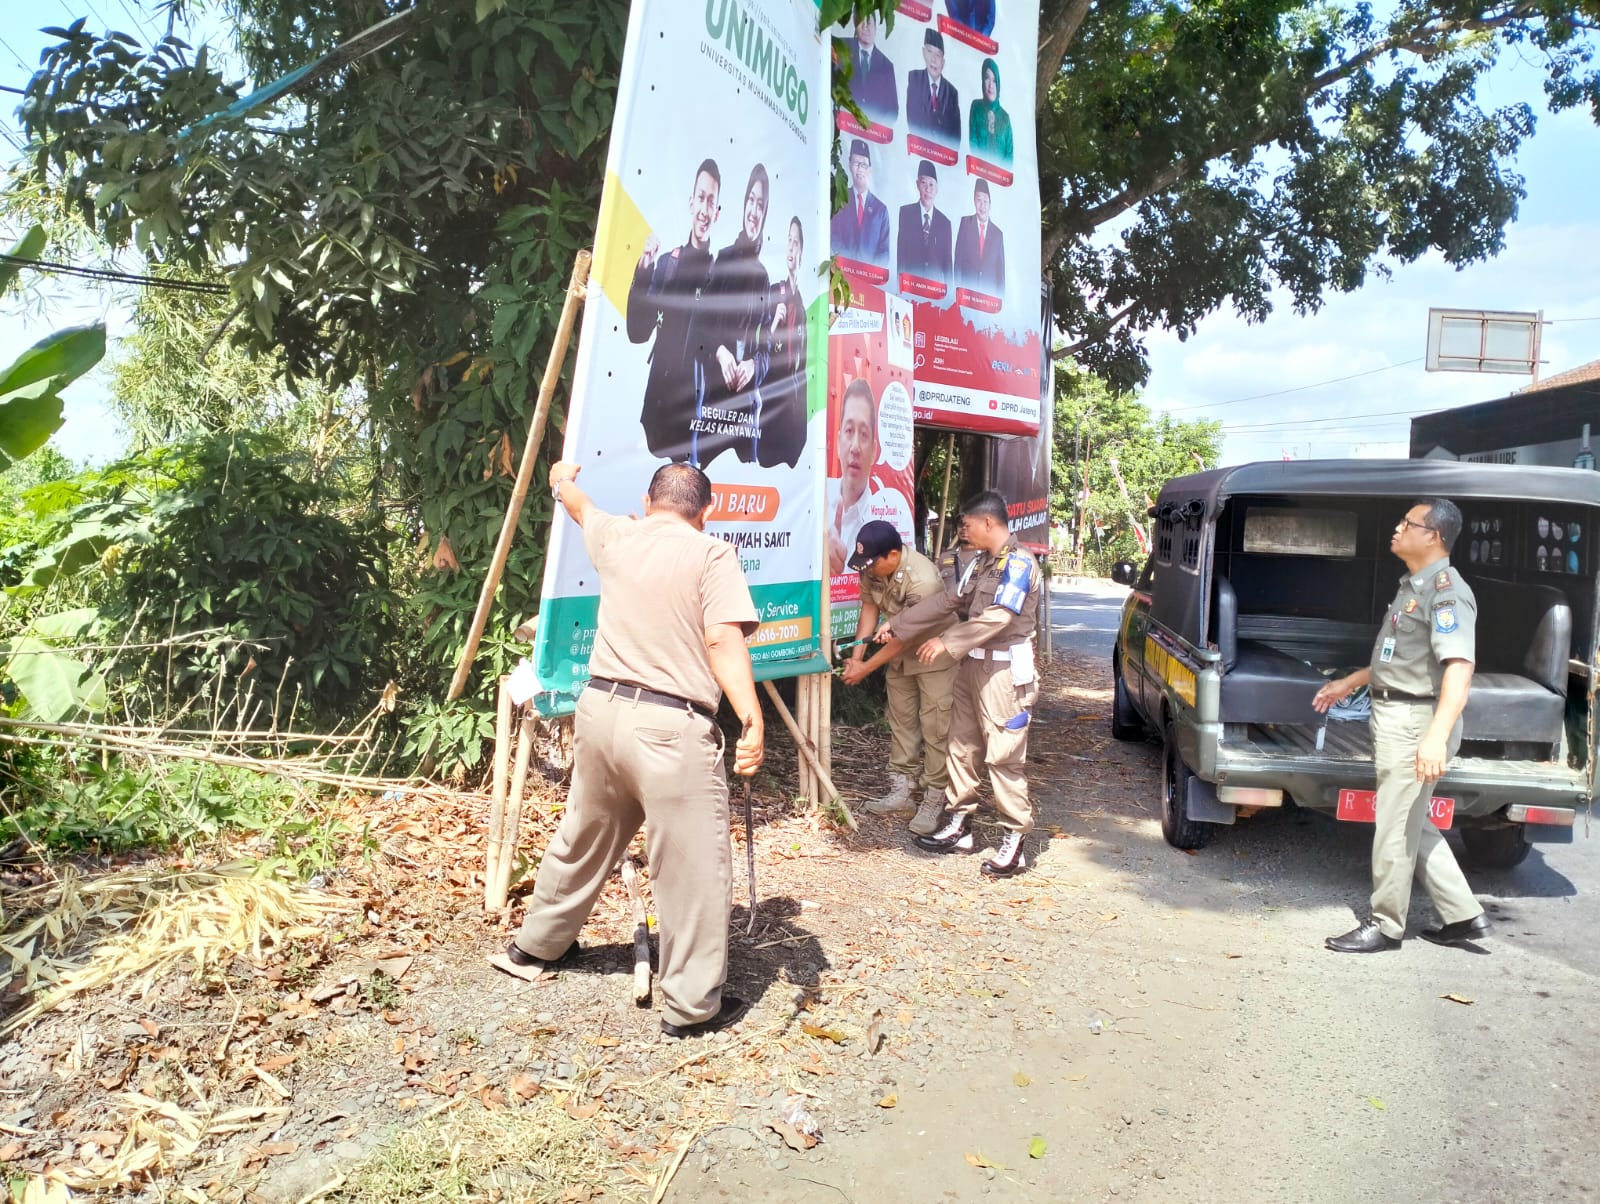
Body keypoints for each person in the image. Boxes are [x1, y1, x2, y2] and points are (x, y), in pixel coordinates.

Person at [491, 460, 765, 1039]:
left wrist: (559, 479)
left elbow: (579, 506)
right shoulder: (710, 554)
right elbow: (722, 637)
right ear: (706, 512)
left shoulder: (618, 534)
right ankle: (691, 1007)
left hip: (600, 715)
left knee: (584, 832)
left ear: (647, 501)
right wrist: (751, 715)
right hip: (669, 727)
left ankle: (535, 947)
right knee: (692, 866)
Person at [1314, 499, 1489, 953]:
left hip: (1416, 723)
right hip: (1397, 714)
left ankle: (1386, 926)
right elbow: (1400, 658)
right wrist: (1349, 682)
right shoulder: (1415, 584)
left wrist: (1434, 736)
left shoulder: (1446, 592)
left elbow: (1459, 668)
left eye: (1407, 524)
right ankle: (1463, 914)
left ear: (1433, 536)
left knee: (1393, 823)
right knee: (1411, 819)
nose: (1396, 529)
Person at [883, 491, 1042, 878]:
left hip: (1004, 674)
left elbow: (999, 617)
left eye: (967, 525)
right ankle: (959, 825)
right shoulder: (984, 563)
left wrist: (947, 642)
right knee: (960, 746)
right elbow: (948, 602)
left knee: (1002, 755)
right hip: (972, 667)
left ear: (988, 523)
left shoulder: (1019, 564)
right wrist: (898, 625)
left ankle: (1014, 840)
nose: (963, 532)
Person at [841, 521, 958, 834]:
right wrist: (855, 659)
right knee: (901, 720)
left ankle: (934, 797)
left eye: (874, 563)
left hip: (933, 654)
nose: (870, 569)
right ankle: (901, 791)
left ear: (893, 554)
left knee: (936, 726)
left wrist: (867, 669)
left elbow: (904, 636)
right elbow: (868, 609)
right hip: (901, 658)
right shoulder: (873, 566)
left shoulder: (923, 578)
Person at [628, 159, 721, 462]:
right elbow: (637, 331)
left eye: (711, 201)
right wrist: (644, 269)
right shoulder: (667, 265)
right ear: (690, 202)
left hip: (694, 432)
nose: (704, 210)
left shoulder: (721, 277)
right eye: (701, 198)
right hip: (653, 423)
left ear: (717, 212)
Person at [692, 164, 772, 468]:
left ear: (766, 214)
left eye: (760, 204)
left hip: (746, 416)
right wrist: (720, 352)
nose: (753, 210)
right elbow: (698, 326)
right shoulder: (722, 260)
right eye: (751, 200)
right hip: (711, 409)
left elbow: (766, 350)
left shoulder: (764, 277)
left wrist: (753, 365)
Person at [759, 216, 809, 470]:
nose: (790, 248)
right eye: (788, 241)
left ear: (802, 251)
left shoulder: (803, 306)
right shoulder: (773, 292)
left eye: (796, 242)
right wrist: (773, 325)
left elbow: (804, 367)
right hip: (769, 407)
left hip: (793, 412)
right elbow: (756, 345)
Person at [830, 139, 891, 266]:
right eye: (856, 163)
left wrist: (868, 270)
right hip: (843, 274)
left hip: (868, 280)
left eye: (864, 165)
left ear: (870, 169)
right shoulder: (841, 198)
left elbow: (884, 252)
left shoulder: (881, 210)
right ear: (849, 164)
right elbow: (833, 236)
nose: (860, 169)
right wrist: (850, 263)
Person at [896, 160, 953, 288]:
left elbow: (947, 264)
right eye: (924, 183)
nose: (928, 189)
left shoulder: (945, 223)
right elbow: (901, 255)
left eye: (932, 185)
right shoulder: (906, 214)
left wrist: (950, 298)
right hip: (911, 286)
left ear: (937, 189)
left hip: (935, 292)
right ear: (917, 184)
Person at [835, 13, 897, 124]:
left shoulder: (887, 66)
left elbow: (892, 110)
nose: (865, 27)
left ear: (875, 27)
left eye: (868, 23)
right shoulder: (841, 46)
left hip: (872, 132)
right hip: (842, 123)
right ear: (855, 24)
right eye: (861, 22)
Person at [905, 28, 960, 144]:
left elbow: (955, 136)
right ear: (923, 52)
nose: (933, 60)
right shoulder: (914, 78)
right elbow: (912, 119)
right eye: (929, 51)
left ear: (943, 62)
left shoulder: (952, 92)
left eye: (938, 55)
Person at [953, 178, 1005, 294]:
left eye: (985, 201)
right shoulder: (965, 223)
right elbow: (958, 262)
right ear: (974, 201)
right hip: (967, 293)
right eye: (979, 200)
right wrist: (957, 290)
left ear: (990, 204)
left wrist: (1000, 300)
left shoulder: (998, 234)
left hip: (988, 297)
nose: (982, 205)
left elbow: (1000, 272)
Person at [967, 57, 1013, 164]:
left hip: (999, 177)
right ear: (982, 81)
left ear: (998, 84)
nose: (990, 85)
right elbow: (973, 141)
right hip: (979, 171)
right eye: (987, 78)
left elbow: (1009, 154)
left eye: (994, 80)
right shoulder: (976, 107)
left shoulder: (1005, 117)